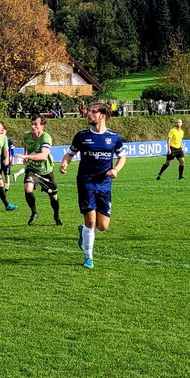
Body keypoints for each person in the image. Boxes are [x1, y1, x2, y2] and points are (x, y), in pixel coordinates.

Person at [59, 103, 126, 269]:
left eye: (93, 112)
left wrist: (116, 169)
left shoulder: (114, 137)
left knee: (102, 226)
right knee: (91, 220)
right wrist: (64, 163)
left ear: (102, 115)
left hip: (104, 184)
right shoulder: (81, 136)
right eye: (89, 111)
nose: (88, 114)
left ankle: (84, 232)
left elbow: (122, 157)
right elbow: (70, 153)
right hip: (86, 182)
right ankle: (88, 256)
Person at [17, 115, 62, 227]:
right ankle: (34, 212)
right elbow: (26, 144)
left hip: (46, 171)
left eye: (36, 124)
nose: (33, 126)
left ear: (42, 125)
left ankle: (56, 216)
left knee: (54, 196)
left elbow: (43, 156)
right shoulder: (26, 135)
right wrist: (26, 154)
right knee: (28, 188)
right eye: (31, 124)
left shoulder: (46, 138)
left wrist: (25, 157)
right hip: (32, 169)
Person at [1, 126, 16, 193]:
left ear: (6, 131)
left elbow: (12, 150)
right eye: (1, 130)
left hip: (6, 160)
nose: (2, 131)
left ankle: (6, 189)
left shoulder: (9, 140)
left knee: (7, 174)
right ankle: (0, 188)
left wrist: (12, 159)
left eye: (3, 130)